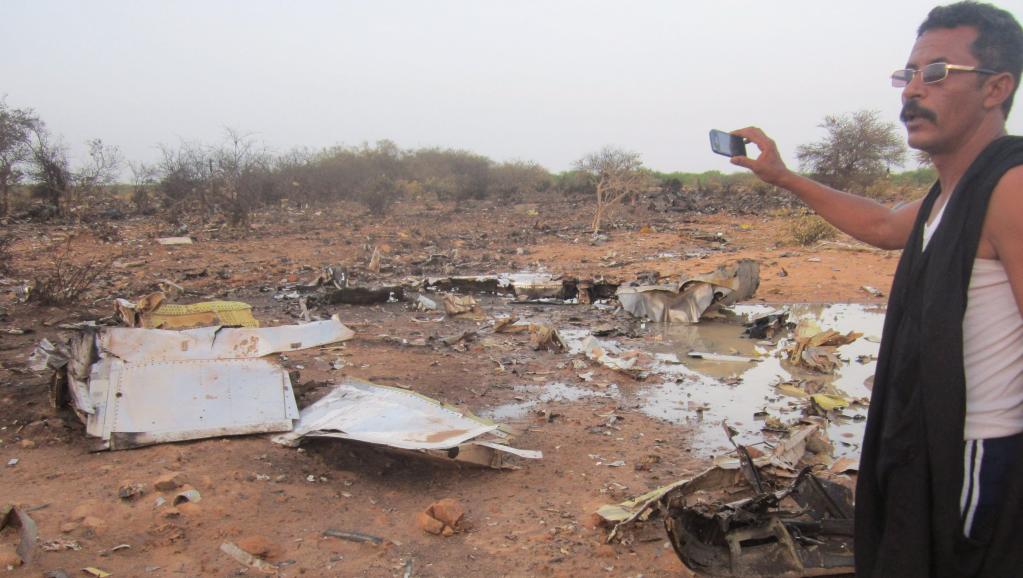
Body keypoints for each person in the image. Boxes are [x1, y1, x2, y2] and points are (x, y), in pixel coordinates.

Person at [730, 2, 1023, 576]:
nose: (913, 91)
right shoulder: (949, 194)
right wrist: (782, 175)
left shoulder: (1010, 187)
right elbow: (884, 224)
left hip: (979, 454)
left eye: (936, 73)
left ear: (996, 89)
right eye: (907, 74)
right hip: (928, 441)